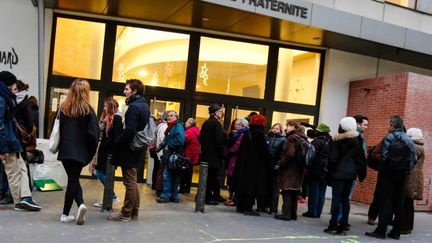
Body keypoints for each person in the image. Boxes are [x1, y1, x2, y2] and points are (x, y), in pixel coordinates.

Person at [365, 116, 416, 240]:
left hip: (388, 175)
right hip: (402, 176)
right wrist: (406, 172)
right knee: (398, 203)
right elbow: (413, 159)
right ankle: (396, 232)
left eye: (389, 124)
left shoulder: (390, 136)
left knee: (385, 203)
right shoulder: (409, 140)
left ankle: (381, 231)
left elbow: (384, 155)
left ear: (392, 125)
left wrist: (383, 170)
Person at [57, 79, 99, 224]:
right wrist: (90, 153)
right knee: (73, 180)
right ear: (85, 92)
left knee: (73, 179)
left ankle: (80, 204)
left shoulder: (63, 109)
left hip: (65, 151)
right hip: (79, 152)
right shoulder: (88, 111)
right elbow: (93, 135)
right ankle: (65, 214)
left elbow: (57, 129)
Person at [108, 79, 150, 222]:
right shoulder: (144, 105)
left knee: (129, 182)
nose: (124, 91)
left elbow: (130, 130)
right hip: (138, 148)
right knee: (133, 181)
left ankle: (126, 213)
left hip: (130, 148)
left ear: (134, 91)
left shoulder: (134, 107)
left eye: (127, 89)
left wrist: (117, 142)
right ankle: (134, 212)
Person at [0, 71, 41, 211]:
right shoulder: (2, 98)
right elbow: (0, 125)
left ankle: (26, 198)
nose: (13, 88)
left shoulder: (7, 98)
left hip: (12, 140)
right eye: (12, 85)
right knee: (13, 171)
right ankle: (19, 201)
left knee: (21, 169)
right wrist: (3, 148)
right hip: (8, 142)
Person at [324, 117, 366, 234]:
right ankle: (343, 226)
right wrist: (361, 174)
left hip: (338, 174)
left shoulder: (336, 140)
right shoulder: (358, 140)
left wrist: (329, 172)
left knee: (336, 199)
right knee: (345, 200)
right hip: (351, 174)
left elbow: (332, 159)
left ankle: (333, 225)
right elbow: (361, 159)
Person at [234, 114, 271, 216]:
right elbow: (264, 151)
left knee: (243, 185)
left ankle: (240, 206)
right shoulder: (260, 134)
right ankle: (248, 208)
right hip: (255, 165)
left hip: (244, 163)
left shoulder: (247, 133)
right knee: (252, 186)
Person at [91, 97, 122, 208]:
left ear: (111, 106)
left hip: (108, 152)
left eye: (106, 106)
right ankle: (109, 197)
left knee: (101, 173)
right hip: (103, 151)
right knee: (100, 172)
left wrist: (107, 147)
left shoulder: (117, 118)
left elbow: (115, 137)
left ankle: (112, 196)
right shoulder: (108, 118)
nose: (104, 108)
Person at [274, 121, 307, 221]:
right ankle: (293, 214)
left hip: (289, 169)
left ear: (293, 127)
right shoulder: (302, 138)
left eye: (288, 126)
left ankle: (286, 214)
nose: (286, 127)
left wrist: (281, 163)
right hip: (299, 169)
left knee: (286, 191)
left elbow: (289, 154)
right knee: (294, 192)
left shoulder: (292, 138)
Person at [199, 103, 226, 205]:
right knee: (211, 178)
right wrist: (223, 152)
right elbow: (218, 140)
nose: (221, 114)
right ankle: (208, 198)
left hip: (206, 155)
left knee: (206, 178)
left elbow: (201, 138)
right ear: (215, 113)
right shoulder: (216, 124)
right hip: (214, 156)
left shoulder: (206, 123)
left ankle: (204, 196)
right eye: (220, 112)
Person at [303, 123, 331, 218]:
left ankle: (312, 212)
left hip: (316, 169)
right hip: (326, 169)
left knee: (314, 191)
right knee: (322, 191)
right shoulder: (330, 141)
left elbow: (310, 156)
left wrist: (307, 166)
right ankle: (318, 212)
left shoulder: (317, 141)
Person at [156, 110, 185, 203]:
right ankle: (174, 196)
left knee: (167, 175)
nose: (169, 117)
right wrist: (160, 146)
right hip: (170, 155)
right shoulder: (170, 127)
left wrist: (168, 145)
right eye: (168, 115)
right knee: (174, 176)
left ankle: (165, 196)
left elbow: (180, 140)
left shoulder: (178, 126)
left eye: (172, 115)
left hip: (174, 156)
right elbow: (167, 139)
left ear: (176, 118)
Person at [400, 128, 425, 235]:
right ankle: (408, 226)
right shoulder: (419, 146)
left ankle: (405, 227)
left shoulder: (415, 147)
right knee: (409, 203)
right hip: (415, 176)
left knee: (406, 202)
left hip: (412, 177)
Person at [225, 118, 248, 206]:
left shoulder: (242, 134)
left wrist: (227, 151)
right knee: (231, 179)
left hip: (236, 159)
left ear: (243, 126)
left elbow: (236, 147)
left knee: (234, 179)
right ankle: (232, 197)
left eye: (239, 124)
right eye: (236, 124)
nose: (236, 126)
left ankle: (234, 198)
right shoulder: (235, 133)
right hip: (233, 159)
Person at [265, 123, 286, 214]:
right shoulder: (266, 137)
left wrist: (278, 165)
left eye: (277, 128)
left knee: (275, 189)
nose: (275, 129)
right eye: (274, 127)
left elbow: (283, 154)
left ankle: (273, 208)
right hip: (266, 166)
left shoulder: (283, 140)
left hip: (276, 167)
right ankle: (264, 206)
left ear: (281, 130)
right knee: (265, 187)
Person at [179, 118, 200, 194]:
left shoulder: (190, 131)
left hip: (187, 154)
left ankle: (182, 188)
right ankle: (187, 188)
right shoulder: (197, 130)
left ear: (190, 124)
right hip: (194, 154)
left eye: (187, 121)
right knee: (189, 172)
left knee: (184, 172)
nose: (185, 122)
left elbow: (183, 141)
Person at [151, 113, 168, 196]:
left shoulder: (160, 126)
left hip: (158, 151)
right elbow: (162, 140)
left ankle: (155, 186)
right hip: (161, 152)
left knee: (157, 169)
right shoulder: (164, 126)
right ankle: (157, 188)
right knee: (160, 171)